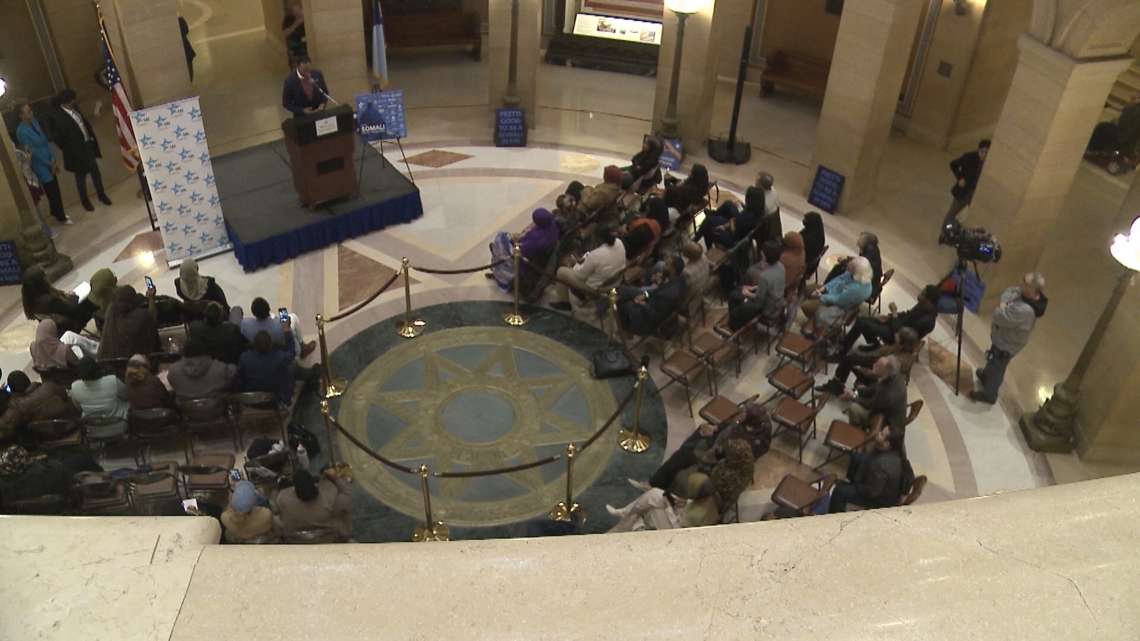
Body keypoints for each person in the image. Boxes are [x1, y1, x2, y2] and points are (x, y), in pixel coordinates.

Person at [637, 403, 771, 495]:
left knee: (682, 456)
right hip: (719, 445)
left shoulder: (747, 441)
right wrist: (715, 429)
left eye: (744, 414)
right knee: (700, 431)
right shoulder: (754, 423)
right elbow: (731, 426)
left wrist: (712, 452)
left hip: (720, 461)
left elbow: (728, 455)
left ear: (751, 420)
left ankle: (653, 485)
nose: (740, 416)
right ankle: (686, 453)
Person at [971, 272, 1047, 404]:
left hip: (1007, 344)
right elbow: (1009, 291)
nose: (1020, 282)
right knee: (993, 359)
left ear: (1033, 289)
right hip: (1002, 338)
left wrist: (1003, 305)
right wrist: (1005, 303)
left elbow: (1000, 317)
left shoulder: (1025, 310)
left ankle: (990, 394)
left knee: (998, 367)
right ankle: (986, 376)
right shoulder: (1025, 294)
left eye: (1024, 281)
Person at [835, 284, 940, 355]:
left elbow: (903, 332)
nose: (919, 295)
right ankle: (874, 345)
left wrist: (894, 314)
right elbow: (907, 315)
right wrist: (889, 317)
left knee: (861, 323)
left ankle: (843, 350)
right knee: (864, 320)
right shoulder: (923, 305)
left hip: (897, 337)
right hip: (896, 326)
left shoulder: (927, 320)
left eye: (922, 295)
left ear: (928, 300)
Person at [50, 89, 110, 212]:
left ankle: (101, 195)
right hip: (76, 153)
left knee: (95, 173)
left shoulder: (75, 109)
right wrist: (70, 148)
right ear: (70, 101)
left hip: (87, 146)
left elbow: (83, 123)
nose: (76, 101)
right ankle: (85, 201)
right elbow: (58, 139)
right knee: (81, 178)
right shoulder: (60, 118)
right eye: (74, 99)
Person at [818, 327, 921, 398]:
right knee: (852, 357)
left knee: (849, 361)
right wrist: (865, 356)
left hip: (877, 378)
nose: (896, 334)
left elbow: (881, 377)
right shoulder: (899, 346)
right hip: (878, 364)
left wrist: (862, 369)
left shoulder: (899, 362)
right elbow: (882, 351)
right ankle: (837, 383)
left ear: (903, 341)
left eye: (899, 335)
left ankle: (836, 385)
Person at [0, 445, 102, 513]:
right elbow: (65, 476)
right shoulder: (43, 472)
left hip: (31, 512)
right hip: (64, 487)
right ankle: (104, 479)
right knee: (79, 458)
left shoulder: (5, 487)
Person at [830, 425, 906, 512]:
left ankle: (834, 519)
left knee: (839, 491)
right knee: (856, 457)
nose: (878, 433)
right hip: (875, 480)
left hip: (879, 498)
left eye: (881, 434)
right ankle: (851, 485)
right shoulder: (896, 450)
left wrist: (858, 484)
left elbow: (872, 492)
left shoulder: (881, 466)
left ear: (886, 443)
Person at [607, 472, 718, 532]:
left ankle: (628, 517)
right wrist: (685, 502)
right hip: (682, 515)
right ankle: (628, 514)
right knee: (655, 494)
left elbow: (678, 529)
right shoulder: (708, 500)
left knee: (650, 510)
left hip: (677, 531)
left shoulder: (697, 515)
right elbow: (694, 503)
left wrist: (669, 507)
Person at [551, 223, 626, 312]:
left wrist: (576, 264)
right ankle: (578, 292)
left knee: (561, 271)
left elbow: (580, 275)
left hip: (598, 288)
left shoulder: (596, 255)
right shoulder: (619, 243)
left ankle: (564, 302)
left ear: (598, 238)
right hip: (615, 281)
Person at [15, 103, 69, 224]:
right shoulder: (21, 132)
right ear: (21, 115)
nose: (31, 113)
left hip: (49, 158)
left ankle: (56, 211)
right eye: (28, 112)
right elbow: (32, 151)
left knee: (56, 186)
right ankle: (61, 216)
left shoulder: (34, 122)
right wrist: (48, 164)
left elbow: (45, 141)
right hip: (40, 164)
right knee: (51, 190)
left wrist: (53, 158)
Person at [488, 208, 560, 293]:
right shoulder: (551, 227)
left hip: (522, 260)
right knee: (505, 237)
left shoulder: (535, 240)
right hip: (533, 252)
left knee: (501, 237)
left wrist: (515, 242)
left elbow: (522, 252)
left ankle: (500, 270)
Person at [839, 356, 908, 441]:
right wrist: (855, 392)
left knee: (854, 408)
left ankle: (855, 433)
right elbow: (873, 388)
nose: (874, 364)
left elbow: (870, 404)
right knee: (861, 388)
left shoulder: (888, 394)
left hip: (885, 420)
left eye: (877, 365)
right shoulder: (892, 375)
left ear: (885, 372)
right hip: (881, 404)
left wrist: (853, 397)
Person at [615, 255, 687, 336]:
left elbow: (657, 317)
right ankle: (607, 302)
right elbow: (659, 290)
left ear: (673, 270)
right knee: (625, 290)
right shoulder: (679, 277)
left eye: (666, 265)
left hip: (649, 318)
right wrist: (645, 294)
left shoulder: (667, 296)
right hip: (653, 301)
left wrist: (643, 304)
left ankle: (627, 330)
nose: (663, 265)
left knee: (622, 304)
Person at [800, 256, 873, 334]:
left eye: (851, 265)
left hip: (836, 305)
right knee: (807, 289)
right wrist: (823, 288)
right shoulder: (852, 273)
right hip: (832, 293)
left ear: (856, 271)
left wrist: (821, 296)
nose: (848, 264)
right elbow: (838, 279)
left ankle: (816, 322)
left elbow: (838, 300)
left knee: (805, 306)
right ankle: (815, 319)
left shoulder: (856, 289)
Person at [276, 468, 354, 542]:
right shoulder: (329, 498)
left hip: (298, 541)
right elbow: (348, 497)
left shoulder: (282, 498)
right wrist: (336, 478)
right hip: (330, 538)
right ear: (314, 484)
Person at [0, 371, 79, 443]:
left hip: (45, 438)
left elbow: (5, 426)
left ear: (13, 390)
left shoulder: (17, 405)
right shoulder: (49, 386)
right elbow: (67, 398)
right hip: (69, 425)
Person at [727, 240, 785, 331]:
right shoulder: (781, 267)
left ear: (765, 256)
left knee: (733, 295)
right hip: (777, 300)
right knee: (739, 288)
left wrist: (747, 293)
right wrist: (754, 287)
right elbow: (772, 285)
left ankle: (735, 324)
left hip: (768, 308)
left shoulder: (764, 276)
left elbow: (758, 297)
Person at [21, 265, 94, 335]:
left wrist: (64, 296)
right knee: (93, 299)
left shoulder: (30, 301)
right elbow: (72, 310)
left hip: (59, 328)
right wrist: (73, 296)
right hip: (70, 325)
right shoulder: (50, 301)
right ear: (41, 281)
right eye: (44, 275)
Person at [241, 298, 316, 360]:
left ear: (253, 313)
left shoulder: (245, 324)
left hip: (260, 350)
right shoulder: (280, 324)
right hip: (282, 349)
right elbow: (292, 334)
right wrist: (281, 322)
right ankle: (303, 347)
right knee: (293, 317)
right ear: (269, 309)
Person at [97, 285, 159, 360]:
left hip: (108, 362)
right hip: (134, 364)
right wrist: (151, 298)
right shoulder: (141, 317)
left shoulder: (111, 312)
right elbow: (152, 318)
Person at [166, 338, 237, 403]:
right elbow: (230, 382)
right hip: (216, 410)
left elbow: (173, 385)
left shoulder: (174, 370)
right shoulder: (219, 368)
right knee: (232, 367)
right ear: (204, 351)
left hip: (189, 411)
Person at [238, 329, 296, 405]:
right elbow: (291, 352)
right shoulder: (279, 358)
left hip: (251, 398)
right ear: (270, 345)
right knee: (291, 369)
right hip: (274, 398)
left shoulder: (244, 358)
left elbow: (240, 380)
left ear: (254, 344)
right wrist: (287, 330)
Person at [943, 139, 990, 226]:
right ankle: (945, 231)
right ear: (978, 150)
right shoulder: (969, 157)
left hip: (977, 191)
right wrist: (960, 178)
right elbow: (953, 164)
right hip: (965, 189)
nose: (984, 155)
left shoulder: (990, 163)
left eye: (987, 152)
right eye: (982, 152)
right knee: (953, 212)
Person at [175, 257, 234, 323]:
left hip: (194, 320)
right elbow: (223, 303)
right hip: (214, 320)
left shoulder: (178, 286)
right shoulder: (209, 285)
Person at [800, 211, 827, 278]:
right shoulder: (818, 233)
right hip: (810, 262)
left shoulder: (809, 239)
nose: (804, 221)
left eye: (806, 220)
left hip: (804, 263)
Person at [178, 16, 196, 81]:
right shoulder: (179, 20)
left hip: (183, 52)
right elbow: (186, 30)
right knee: (189, 71)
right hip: (186, 51)